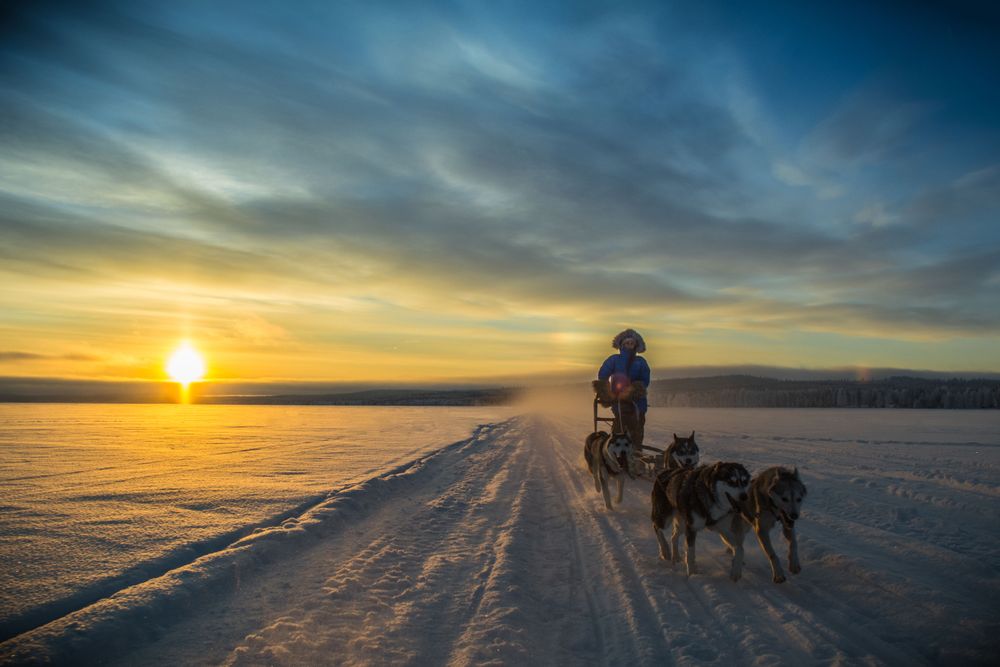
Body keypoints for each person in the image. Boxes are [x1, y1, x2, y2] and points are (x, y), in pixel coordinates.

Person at [597, 328, 650, 447]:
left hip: (638, 401)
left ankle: (636, 454)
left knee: (637, 428)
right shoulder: (614, 360)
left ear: (636, 345)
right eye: (627, 343)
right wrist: (606, 391)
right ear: (621, 344)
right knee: (620, 426)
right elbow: (603, 375)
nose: (629, 345)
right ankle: (616, 453)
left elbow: (645, 379)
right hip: (619, 398)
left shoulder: (640, 361)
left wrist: (636, 389)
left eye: (632, 343)